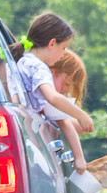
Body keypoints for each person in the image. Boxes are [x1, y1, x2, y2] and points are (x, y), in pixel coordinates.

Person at [10, 13, 94, 172]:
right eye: (63, 48)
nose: (63, 54)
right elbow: (53, 97)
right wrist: (82, 115)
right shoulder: (38, 67)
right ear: (52, 43)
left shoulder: (23, 61)